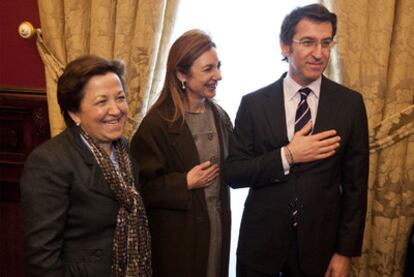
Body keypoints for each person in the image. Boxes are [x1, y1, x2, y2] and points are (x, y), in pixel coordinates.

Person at [224, 4, 369, 277]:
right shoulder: (254, 104)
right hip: (260, 248)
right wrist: (288, 155)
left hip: (320, 250)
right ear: (285, 46)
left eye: (326, 43)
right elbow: (235, 173)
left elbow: (356, 188)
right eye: (308, 42)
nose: (319, 53)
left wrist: (344, 252)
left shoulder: (350, 105)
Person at [20, 55, 152, 277]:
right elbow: (41, 257)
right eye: (102, 102)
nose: (116, 109)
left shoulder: (124, 149)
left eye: (120, 98)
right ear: (74, 113)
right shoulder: (49, 161)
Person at [130, 29, 232, 277]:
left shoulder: (220, 117)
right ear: (181, 74)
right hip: (178, 241)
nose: (218, 75)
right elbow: (139, 190)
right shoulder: (156, 123)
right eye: (208, 69)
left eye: (218, 66)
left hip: (216, 229)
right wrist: (184, 182)